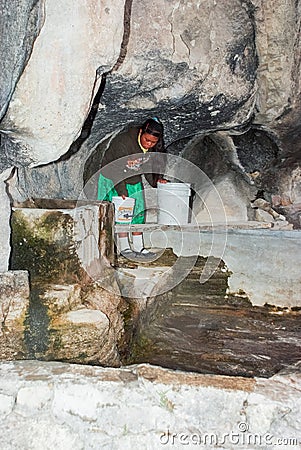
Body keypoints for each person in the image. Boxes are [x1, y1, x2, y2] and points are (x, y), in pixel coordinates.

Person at [97, 117, 167, 260]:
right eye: (147, 140)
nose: (149, 144)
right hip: (112, 178)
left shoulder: (151, 147)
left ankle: (139, 246)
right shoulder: (123, 143)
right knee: (123, 212)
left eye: (153, 142)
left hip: (132, 178)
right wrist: (122, 191)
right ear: (141, 132)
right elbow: (116, 170)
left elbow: (147, 167)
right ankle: (124, 248)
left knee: (138, 212)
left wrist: (156, 181)